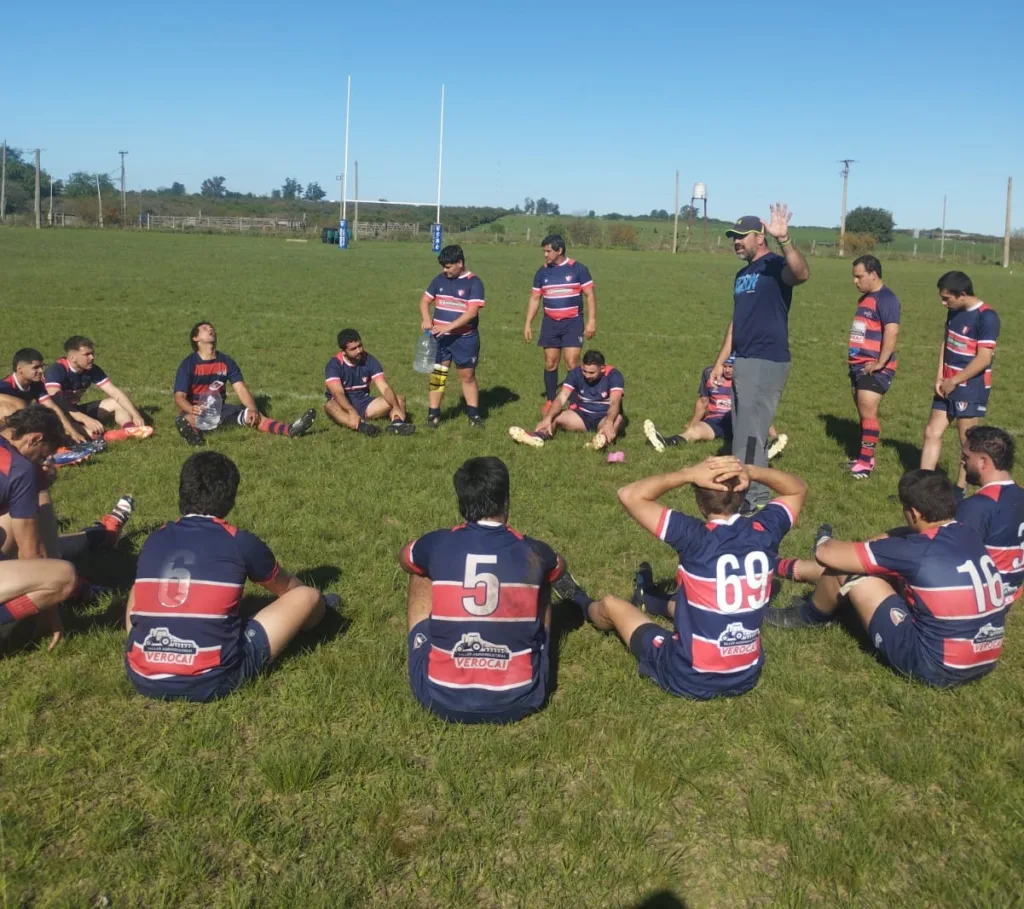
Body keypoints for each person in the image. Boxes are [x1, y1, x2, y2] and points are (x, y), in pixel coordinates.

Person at [559, 456, 805, 700]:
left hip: (689, 676)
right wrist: (751, 470)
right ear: (742, 492)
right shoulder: (765, 531)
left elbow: (629, 494)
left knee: (612, 604)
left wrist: (687, 473)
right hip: (746, 675)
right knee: (697, 605)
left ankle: (578, 600)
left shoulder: (694, 537)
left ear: (700, 504)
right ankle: (647, 598)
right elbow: (797, 489)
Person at [125, 451, 336, 702]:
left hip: (141, 675)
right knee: (307, 596)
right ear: (230, 500)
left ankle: (144, 645)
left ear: (182, 493)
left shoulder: (155, 538)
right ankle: (323, 614)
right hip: (212, 678)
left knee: (139, 586)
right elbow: (288, 589)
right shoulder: (239, 541)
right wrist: (316, 605)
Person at [766, 469, 1006, 687]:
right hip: (986, 655)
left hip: (935, 666)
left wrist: (824, 539)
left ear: (913, 513)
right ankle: (789, 571)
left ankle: (809, 616)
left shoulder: (914, 549)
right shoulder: (969, 534)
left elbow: (825, 554)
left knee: (848, 571)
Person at [398, 456, 575, 723]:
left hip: (439, 695)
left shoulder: (437, 543)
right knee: (542, 579)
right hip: (523, 697)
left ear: (462, 503)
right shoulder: (535, 551)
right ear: (506, 500)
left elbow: (405, 557)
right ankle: (536, 646)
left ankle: (429, 644)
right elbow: (559, 568)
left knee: (419, 569)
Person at [0, 408, 132, 650]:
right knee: (63, 577)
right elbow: (32, 555)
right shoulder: (20, 470)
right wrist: (50, 617)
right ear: (34, 438)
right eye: (42, 456)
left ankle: (97, 535)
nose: (41, 462)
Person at [708, 205, 809, 514]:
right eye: (733, 238)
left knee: (751, 434)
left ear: (759, 236)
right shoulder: (742, 274)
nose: (736, 242)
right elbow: (737, 321)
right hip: (744, 359)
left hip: (766, 360)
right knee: (744, 431)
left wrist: (786, 239)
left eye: (741, 236)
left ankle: (756, 499)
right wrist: (721, 359)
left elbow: (801, 274)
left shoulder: (775, 265)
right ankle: (748, 492)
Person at [174, 321, 316, 446]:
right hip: (196, 412)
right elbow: (179, 397)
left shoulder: (226, 361)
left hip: (220, 410)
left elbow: (240, 388)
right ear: (196, 338)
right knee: (186, 420)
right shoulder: (188, 364)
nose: (211, 329)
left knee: (252, 416)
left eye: (212, 327)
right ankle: (195, 437)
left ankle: (290, 430)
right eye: (205, 328)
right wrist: (191, 409)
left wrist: (253, 408)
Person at [920, 271, 999, 488]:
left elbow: (983, 358)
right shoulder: (954, 311)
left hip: (970, 389)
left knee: (967, 443)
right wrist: (940, 377)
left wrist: (954, 381)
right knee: (931, 432)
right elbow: (946, 344)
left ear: (962, 294)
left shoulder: (987, 317)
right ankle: (923, 486)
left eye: (947, 298)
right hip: (947, 384)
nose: (943, 303)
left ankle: (959, 492)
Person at [643, 355, 787, 458]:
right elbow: (703, 402)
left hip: (738, 421)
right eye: (725, 366)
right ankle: (667, 442)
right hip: (715, 421)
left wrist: (772, 432)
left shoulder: (747, 380)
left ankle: (766, 449)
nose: (728, 370)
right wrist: (693, 424)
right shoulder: (710, 373)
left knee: (749, 435)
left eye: (732, 367)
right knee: (695, 431)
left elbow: (758, 408)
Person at [523, 234, 597, 413]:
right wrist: (527, 323)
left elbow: (590, 295)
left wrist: (591, 321)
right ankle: (550, 399)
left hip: (573, 322)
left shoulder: (578, 269)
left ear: (559, 250)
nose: (545, 255)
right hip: (550, 323)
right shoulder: (542, 272)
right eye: (544, 251)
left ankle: (574, 401)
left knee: (572, 362)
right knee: (550, 362)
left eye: (548, 251)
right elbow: (535, 298)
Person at [845, 255, 901, 479]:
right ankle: (866, 456)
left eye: (859, 277)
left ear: (874, 275)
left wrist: (880, 362)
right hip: (858, 365)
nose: (855, 281)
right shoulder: (866, 299)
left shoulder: (887, 299)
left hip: (875, 367)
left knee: (868, 412)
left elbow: (892, 331)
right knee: (863, 413)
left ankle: (865, 464)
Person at [418, 245, 485, 429]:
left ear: (460, 263)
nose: (444, 271)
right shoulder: (439, 280)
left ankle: (473, 415)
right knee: (438, 374)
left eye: (448, 267)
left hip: (464, 339)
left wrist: (448, 327)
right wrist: (425, 318)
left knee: (467, 376)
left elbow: (471, 313)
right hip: (440, 339)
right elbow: (424, 301)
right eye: (443, 267)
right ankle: (433, 415)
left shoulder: (474, 282)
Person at [956, 427, 1024, 604]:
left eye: (966, 457)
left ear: (983, 462)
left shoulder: (977, 507)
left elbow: (950, 559)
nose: (962, 462)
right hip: (1009, 594)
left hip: (977, 601)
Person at [509, 350, 623, 450]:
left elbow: (615, 402)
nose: (587, 375)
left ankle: (600, 442)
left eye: (592, 372)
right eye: (585, 371)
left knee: (617, 419)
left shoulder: (614, 375)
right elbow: (561, 398)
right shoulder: (576, 373)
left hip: (604, 417)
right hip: (581, 417)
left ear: (602, 369)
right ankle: (538, 437)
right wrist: (548, 418)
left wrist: (608, 422)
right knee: (555, 415)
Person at [44, 336, 149, 441]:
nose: (92, 357)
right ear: (72, 358)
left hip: (74, 410)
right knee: (64, 422)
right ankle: (102, 437)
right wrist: (84, 419)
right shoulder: (56, 370)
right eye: (86, 354)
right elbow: (56, 400)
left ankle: (130, 429)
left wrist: (136, 415)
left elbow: (115, 393)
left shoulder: (92, 369)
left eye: (92, 353)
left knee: (116, 402)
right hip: (53, 414)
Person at [323, 329, 415, 436]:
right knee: (329, 406)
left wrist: (395, 406)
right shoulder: (334, 365)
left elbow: (384, 387)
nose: (359, 350)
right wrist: (351, 411)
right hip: (342, 404)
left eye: (360, 345)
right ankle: (363, 427)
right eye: (353, 349)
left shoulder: (369, 360)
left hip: (364, 403)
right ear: (343, 351)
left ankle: (397, 425)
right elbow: (338, 393)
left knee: (399, 399)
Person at [0, 347, 92, 443]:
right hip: (8, 428)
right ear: (20, 369)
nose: (41, 371)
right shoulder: (5, 387)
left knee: (55, 419)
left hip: (21, 424)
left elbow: (53, 407)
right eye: (35, 367)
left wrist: (73, 432)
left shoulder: (36, 384)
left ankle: (91, 436)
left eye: (41, 366)